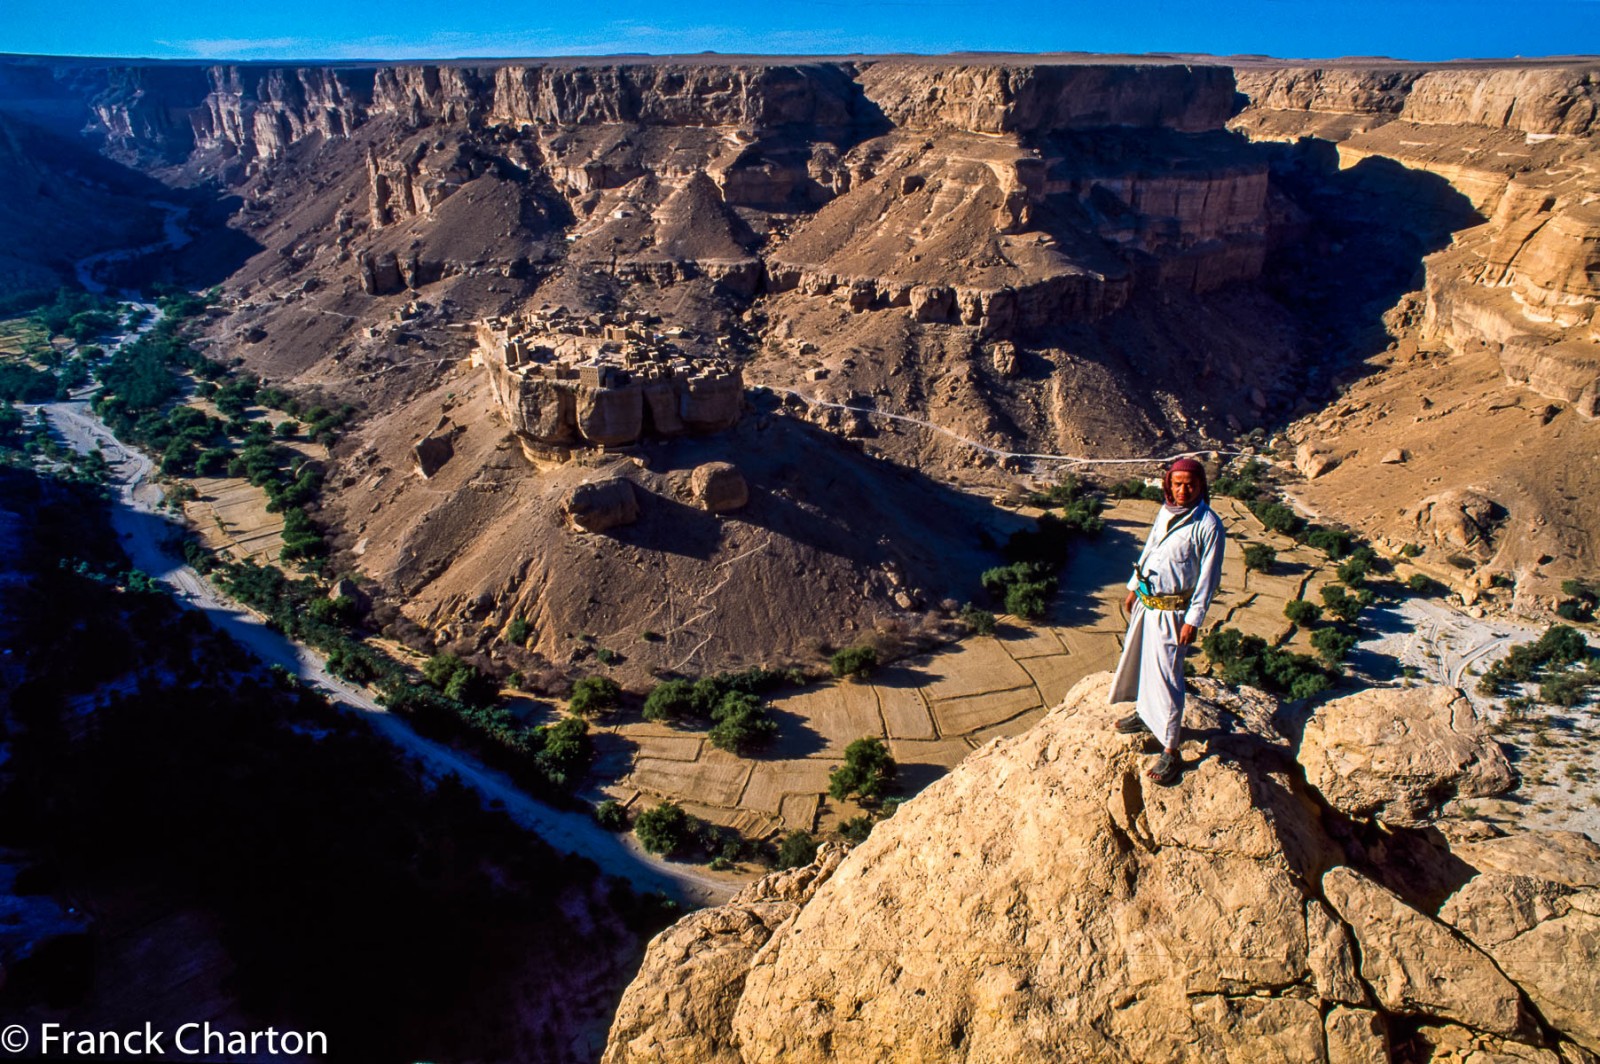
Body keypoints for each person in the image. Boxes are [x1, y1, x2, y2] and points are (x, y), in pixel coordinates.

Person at [1108, 457, 1227, 784]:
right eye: (1177, 484)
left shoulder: (1209, 525)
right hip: (1149, 605)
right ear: (1168, 485)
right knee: (1145, 664)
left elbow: (1208, 577)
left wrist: (1194, 619)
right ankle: (1147, 716)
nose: (1183, 490)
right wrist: (1134, 586)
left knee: (1168, 679)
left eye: (1190, 484)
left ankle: (1171, 751)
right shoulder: (1166, 512)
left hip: (1174, 613)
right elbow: (1150, 549)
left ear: (1201, 485)